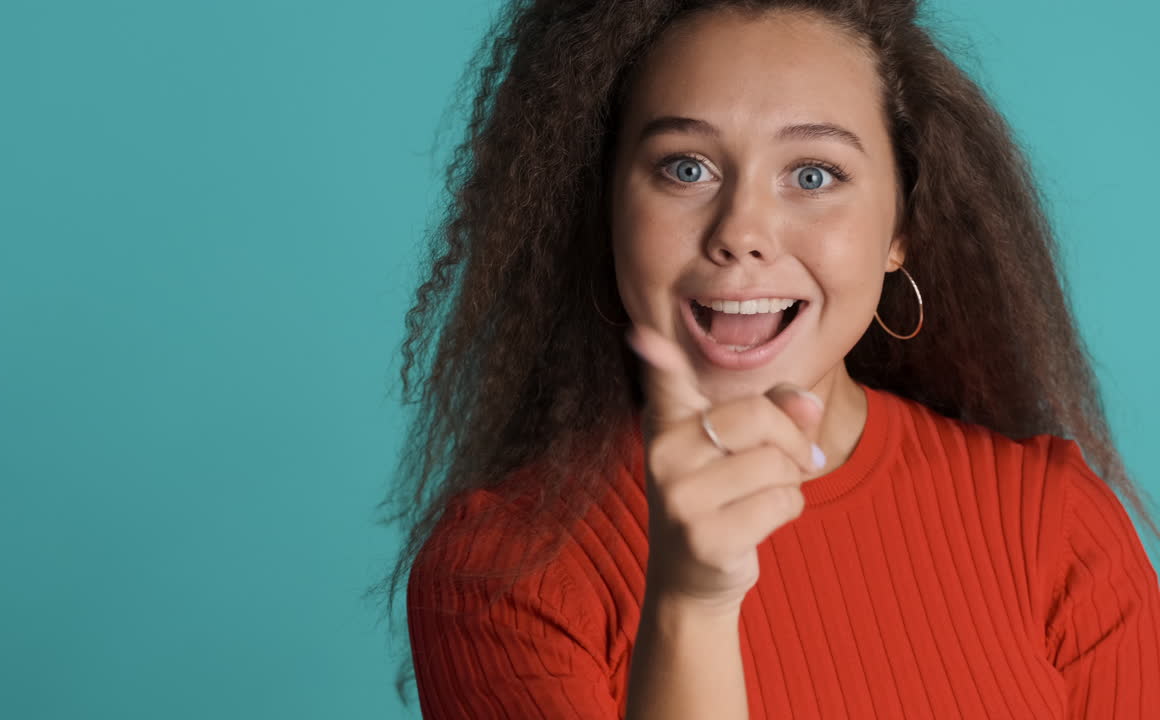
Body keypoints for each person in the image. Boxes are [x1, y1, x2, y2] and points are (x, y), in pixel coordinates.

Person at [373, 1, 1160, 717]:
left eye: (813, 175)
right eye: (686, 167)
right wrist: (691, 602)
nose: (741, 230)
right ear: (607, 211)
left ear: (900, 229)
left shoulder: (1057, 527)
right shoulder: (502, 569)